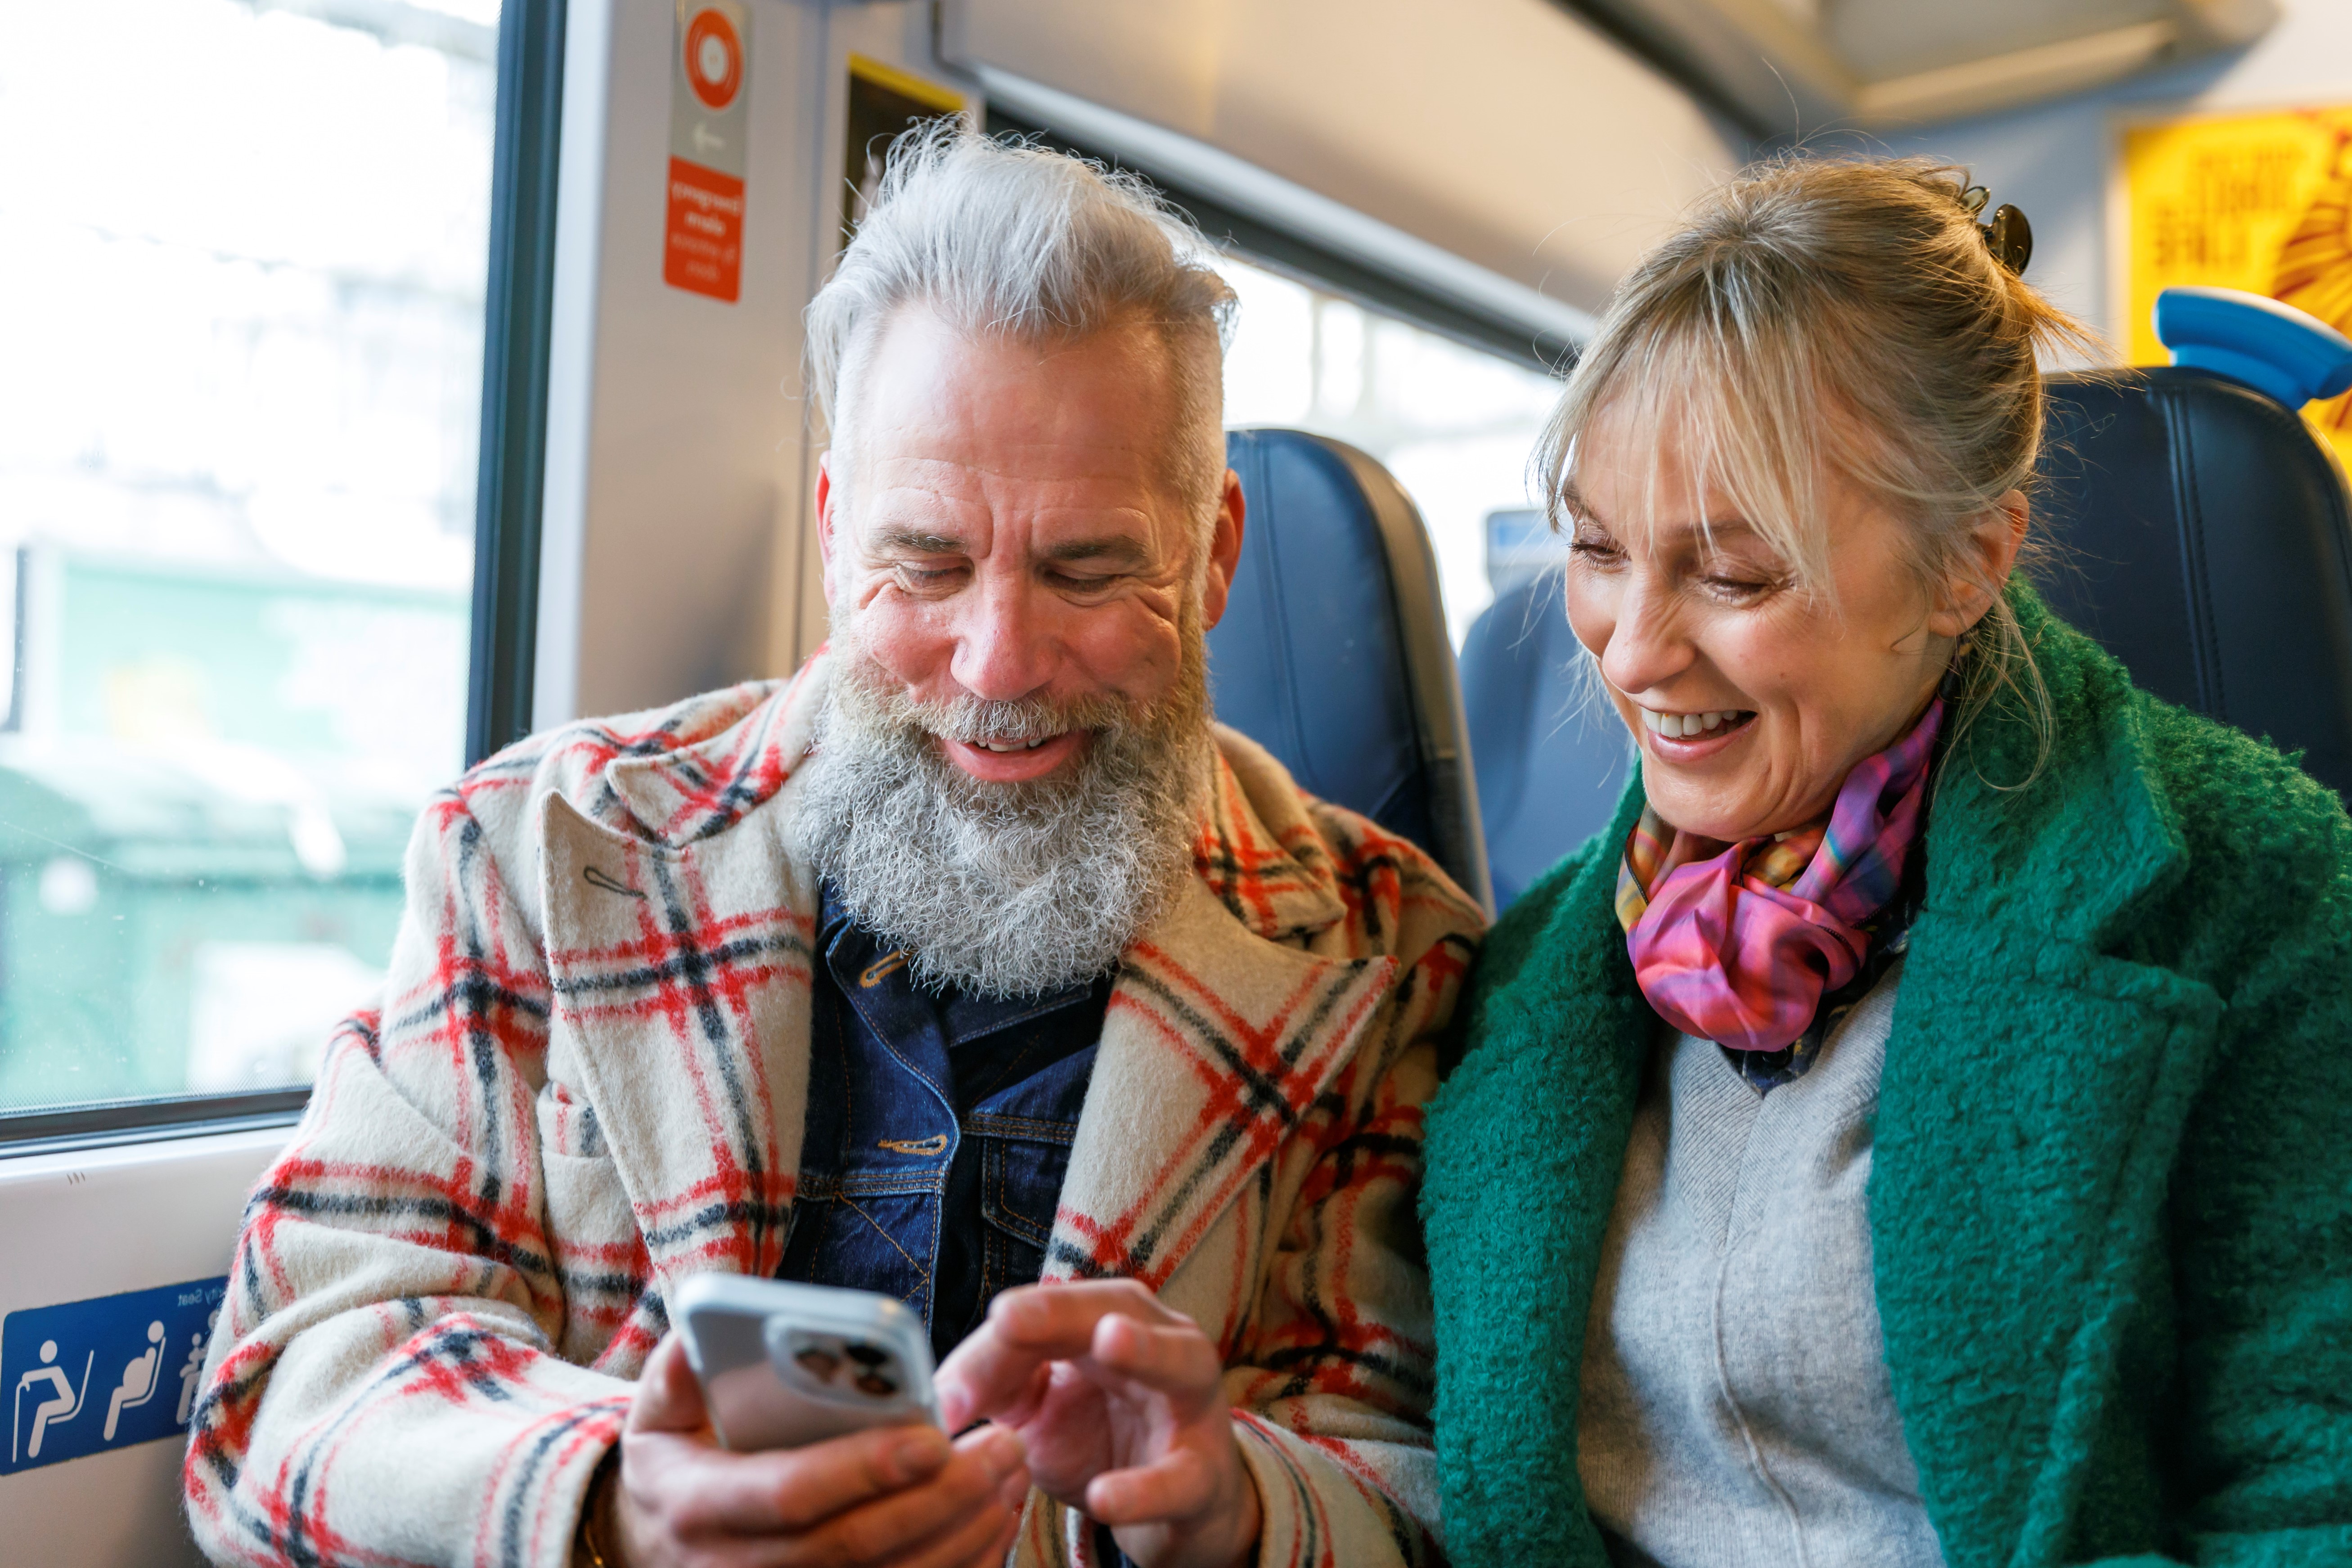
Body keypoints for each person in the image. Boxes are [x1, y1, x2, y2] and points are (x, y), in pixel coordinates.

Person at [183, 128, 1482, 1568]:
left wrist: (1238, 1512)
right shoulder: (538, 852)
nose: (996, 664)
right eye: (924, 564)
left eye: (1087, 570)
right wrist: (614, 1502)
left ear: (1217, 552)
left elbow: (1442, 1490)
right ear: (829, 530)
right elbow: (281, 1397)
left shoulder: (1393, 958)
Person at [1420, 157, 2352, 1567]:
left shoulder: (2255, 893)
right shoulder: (1526, 972)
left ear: (1963, 564)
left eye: (1732, 575)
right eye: (1598, 552)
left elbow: (2308, 1497)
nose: (1630, 646)